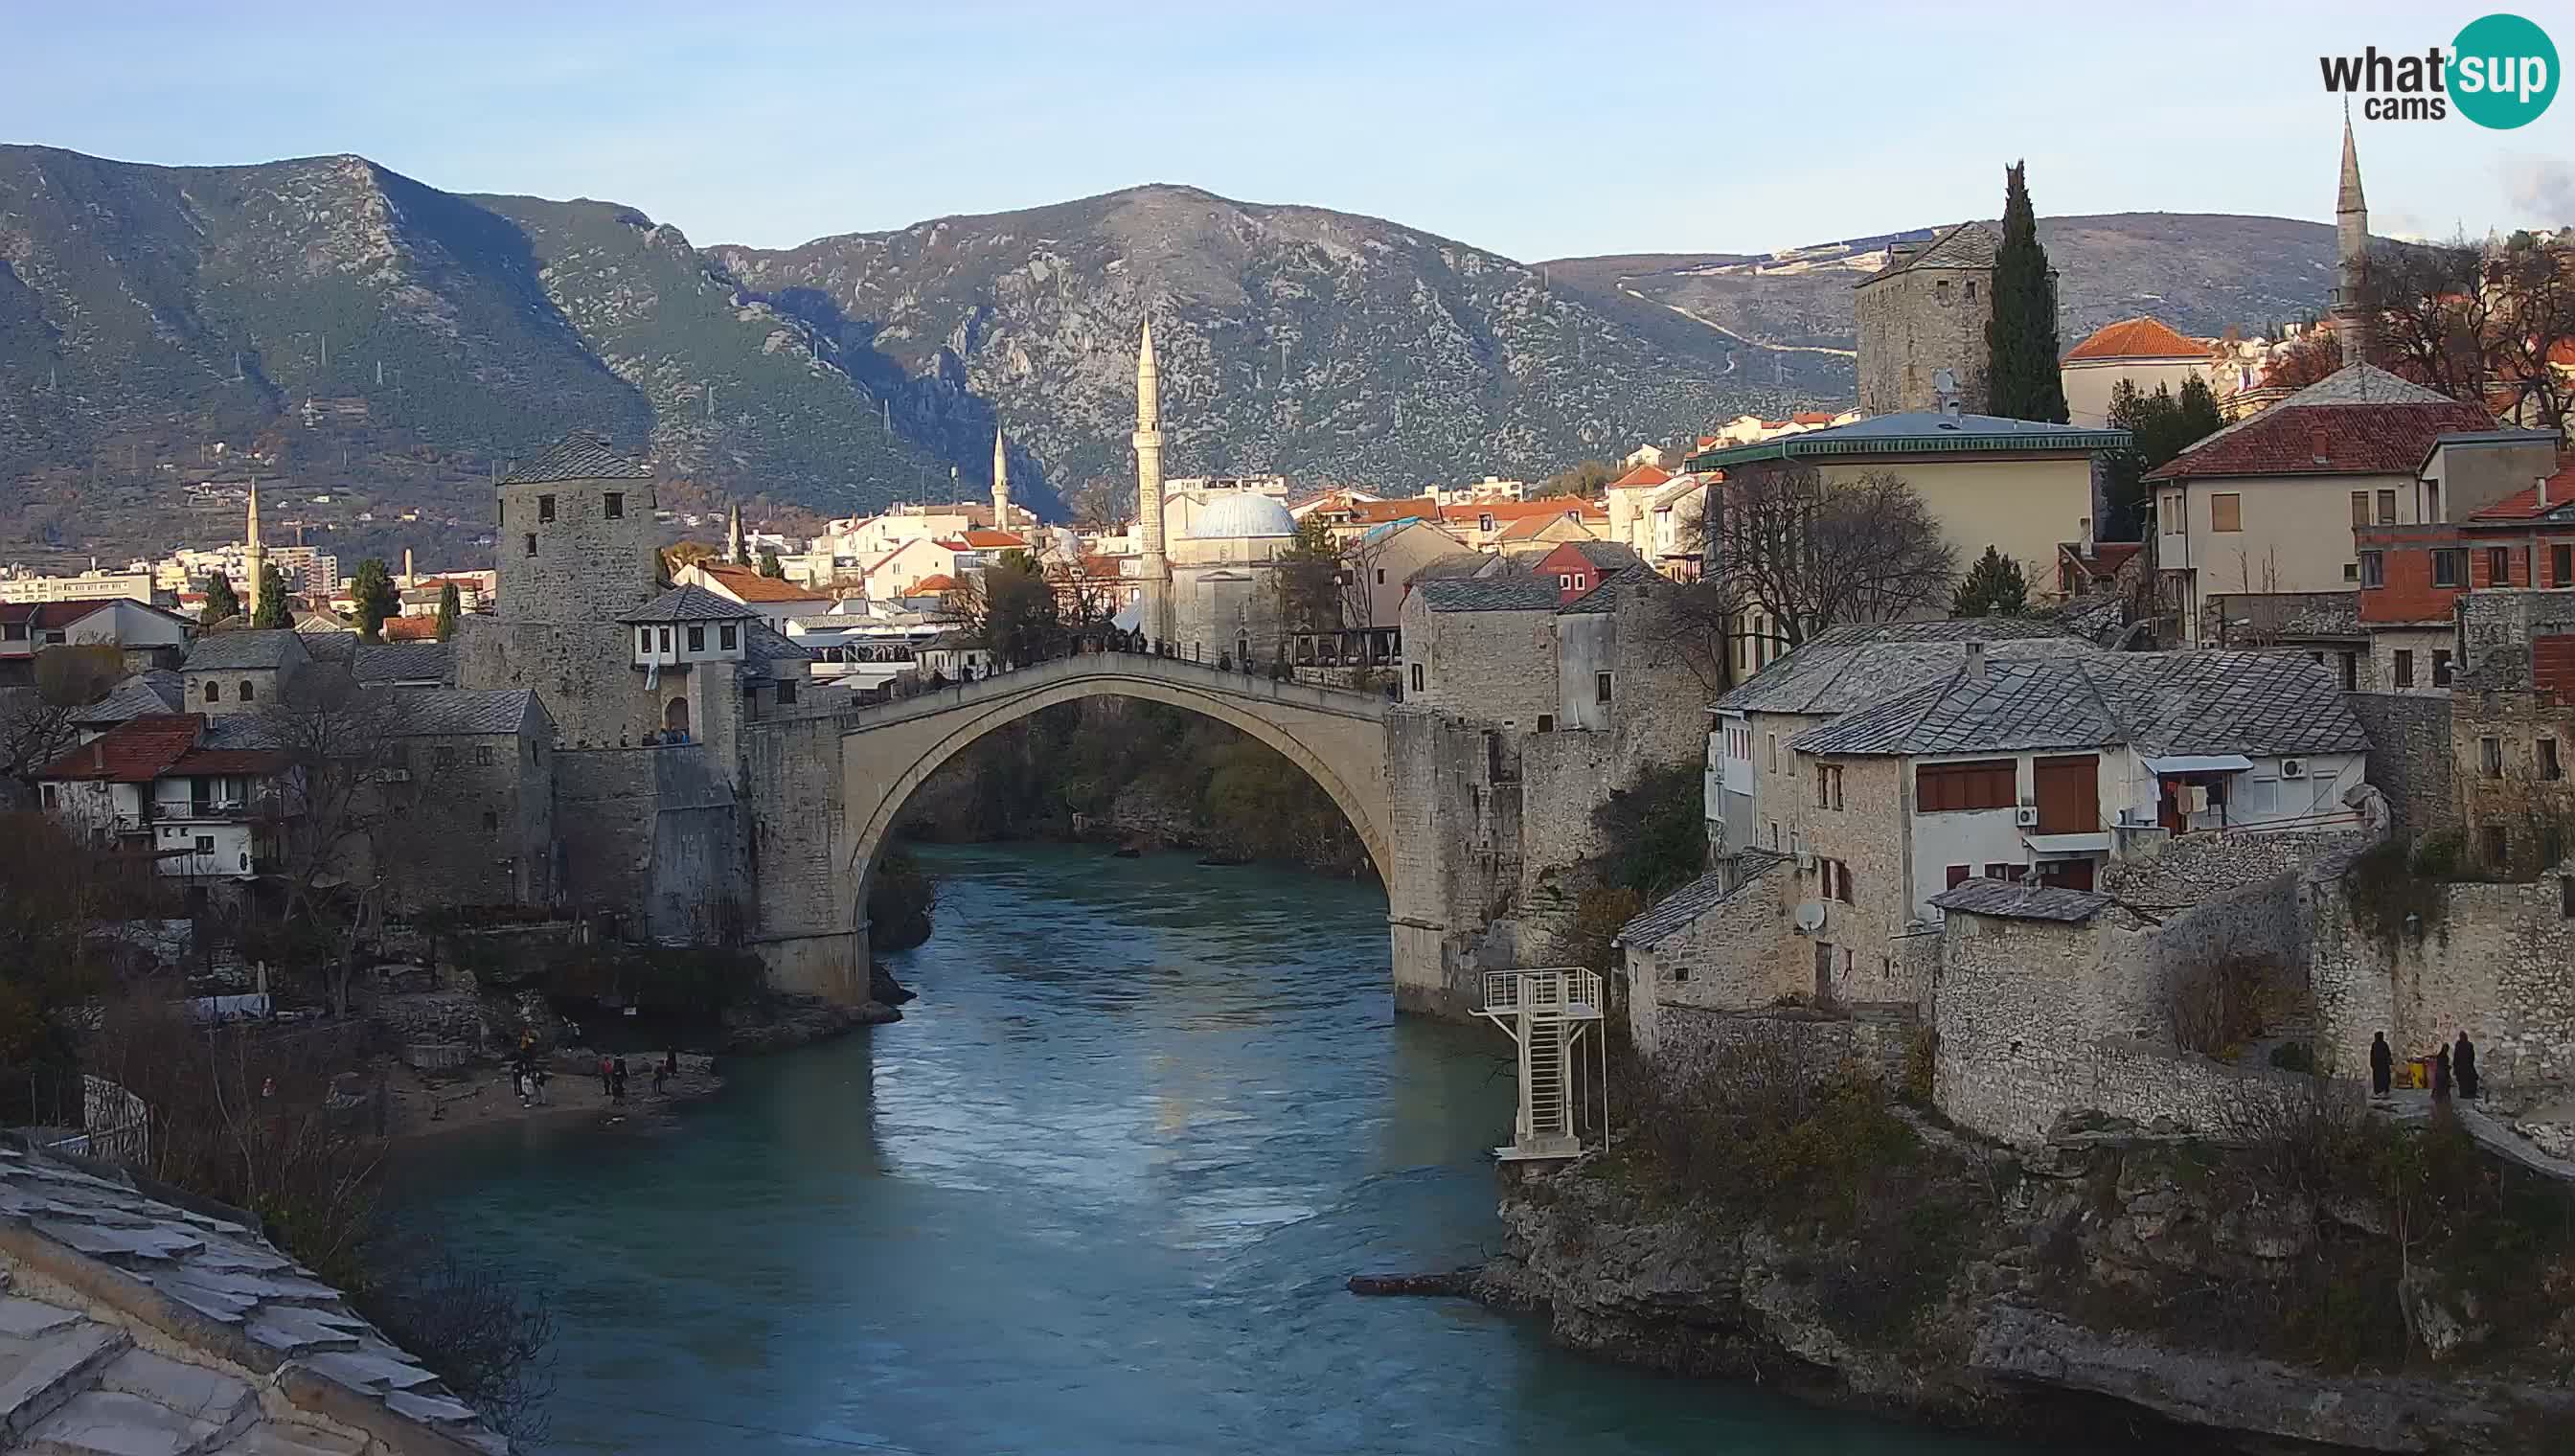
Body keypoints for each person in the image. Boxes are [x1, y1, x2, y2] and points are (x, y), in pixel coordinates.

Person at [2454, 1032, 2480, 1101]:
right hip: (2464, 1066)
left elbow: (2471, 1056)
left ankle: (2467, 1093)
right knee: (2465, 1080)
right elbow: (2457, 1056)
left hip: (2465, 1066)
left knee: (2469, 1080)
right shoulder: (2461, 1045)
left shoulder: (2465, 1045)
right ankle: (2466, 1094)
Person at [2370, 1031, 2393, 1098]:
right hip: (2382, 1065)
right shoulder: (2384, 1044)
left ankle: (2379, 1092)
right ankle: (2383, 1092)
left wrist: (2372, 1063)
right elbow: (2388, 1054)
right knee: (2384, 1078)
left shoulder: (2375, 1044)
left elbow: (2372, 1055)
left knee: (2379, 1079)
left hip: (2379, 1065)